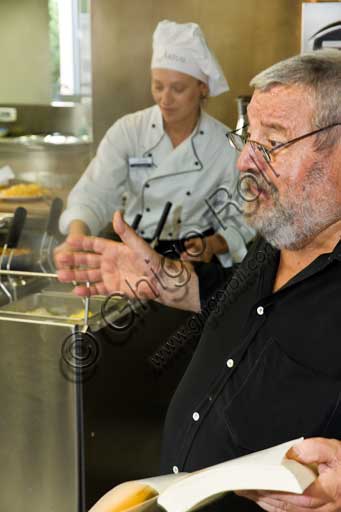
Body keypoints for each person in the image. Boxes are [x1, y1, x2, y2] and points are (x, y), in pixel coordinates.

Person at [55, 49, 341, 512]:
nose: (246, 163)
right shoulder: (278, 240)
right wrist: (170, 282)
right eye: (247, 138)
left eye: (273, 142)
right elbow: (234, 301)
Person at [58, 20, 254, 267]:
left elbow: (245, 216)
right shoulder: (129, 131)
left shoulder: (224, 145)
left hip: (191, 262)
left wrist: (213, 244)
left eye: (178, 88)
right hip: (132, 254)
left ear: (202, 88)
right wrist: (77, 236)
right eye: (158, 86)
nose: (165, 98)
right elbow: (94, 193)